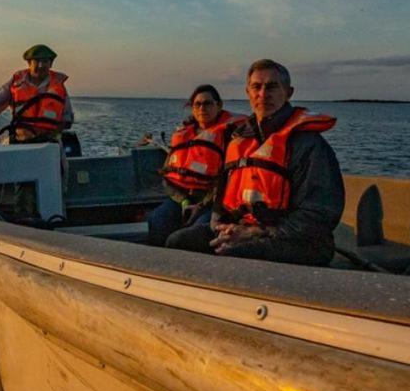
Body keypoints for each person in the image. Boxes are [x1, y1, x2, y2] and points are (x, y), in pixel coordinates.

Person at [166, 60, 344, 265]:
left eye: (272, 86)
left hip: (299, 240)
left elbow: (319, 215)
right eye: (256, 87)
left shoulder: (309, 145)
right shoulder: (240, 139)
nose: (263, 94)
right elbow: (221, 198)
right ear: (248, 92)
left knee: (232, 253)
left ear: (288, 92)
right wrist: (222, 227)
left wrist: (258, 232)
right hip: (244, 227)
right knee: (178, 241)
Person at [146, 85, 245, 246]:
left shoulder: (230, 136)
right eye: (197, 104)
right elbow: (168, 175)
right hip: (183, 198)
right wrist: (184, 201)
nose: (201, 108)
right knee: (157, 219)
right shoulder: (184, 134)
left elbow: (229, 179)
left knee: (195, 232)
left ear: (219, 105)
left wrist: (200, 206)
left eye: (207, 104)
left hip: (214, 202)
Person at [0, 44, 73, 143]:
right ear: (29, 63)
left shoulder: (58, 86)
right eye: (37, 61)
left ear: (51, 64)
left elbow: (67, 119)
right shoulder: (16, 83)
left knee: (62, 166)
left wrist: (51, 134)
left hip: (50, 145)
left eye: (45, 61)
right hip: (20, 141)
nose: (40, 65)